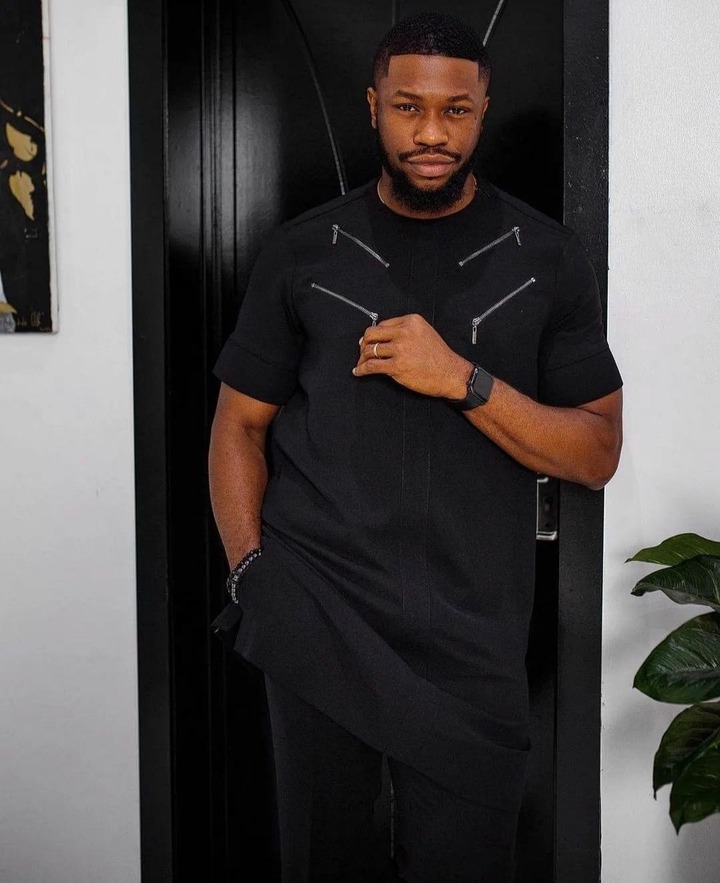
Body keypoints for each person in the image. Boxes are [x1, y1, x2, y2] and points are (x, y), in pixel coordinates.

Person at [209, 12, 623, 882]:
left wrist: (462, 378)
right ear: (374, 107)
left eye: (455, 110)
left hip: (474, 642)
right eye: (408, 107)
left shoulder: (548, 258)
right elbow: (238, 424)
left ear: (482, 110)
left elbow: (595, 451)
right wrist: (253, 575)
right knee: (325, 862)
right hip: (317, 615)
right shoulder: (301, 252)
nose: (432, 133)